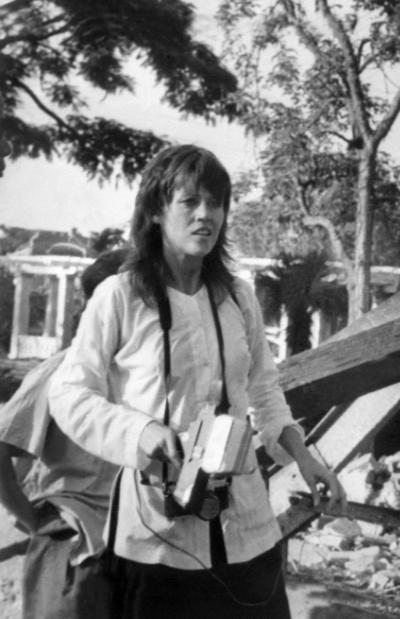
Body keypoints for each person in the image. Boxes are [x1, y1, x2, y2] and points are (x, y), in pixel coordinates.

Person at [49, 144, 346, 618]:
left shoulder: (237, 298)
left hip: (243, 527)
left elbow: (265, 389)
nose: (206, 215)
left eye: (216, 202)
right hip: (154, 536)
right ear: (155, 212)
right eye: (190, 202)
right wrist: (141, 433)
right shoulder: (120, 297)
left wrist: (304, 459)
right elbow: (68, 394)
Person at [0, 249, 127, 618]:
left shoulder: (146, 381)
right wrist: (34, 521)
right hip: (71, 541)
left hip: (134, 545)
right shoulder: (60, 372)